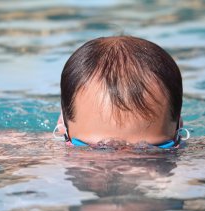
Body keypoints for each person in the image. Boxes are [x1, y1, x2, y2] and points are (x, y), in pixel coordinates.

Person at [53, 35, 189, 148]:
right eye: (102, 149)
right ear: (62, 127)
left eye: (148, 150)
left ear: (178, 128)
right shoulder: (39, 162)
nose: (125, 169)